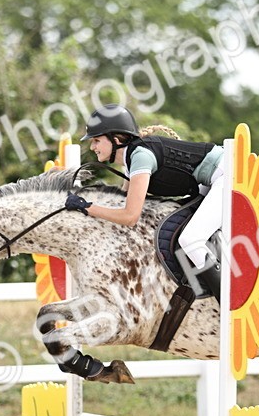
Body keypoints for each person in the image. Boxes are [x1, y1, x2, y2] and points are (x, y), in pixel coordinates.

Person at [65, 104, 226, 301]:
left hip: (226, 174)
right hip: (209, 180)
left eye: (97, 140)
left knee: (190, 239)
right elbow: (121, 202)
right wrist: (89, 199)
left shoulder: (140, 157)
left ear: (116, 139)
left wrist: (88, 208)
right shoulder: (130, 161)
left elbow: (130, 216)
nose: (92, 147)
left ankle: (228, 300)